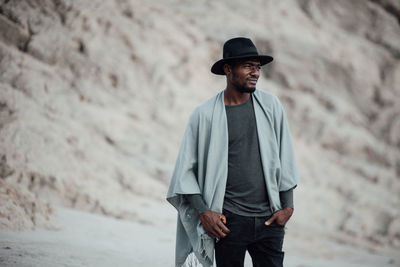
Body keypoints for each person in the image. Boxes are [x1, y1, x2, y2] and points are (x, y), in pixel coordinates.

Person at [166, 37, 300, 267]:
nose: (255, 73)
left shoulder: (271, 105)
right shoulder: (204, 115)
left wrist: (288, 207)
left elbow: (285, 156)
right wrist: (204, 212)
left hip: (270, 219)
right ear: (228, 69)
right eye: (248, 66)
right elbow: (185, 171)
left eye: (257, 67)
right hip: (228, 222)